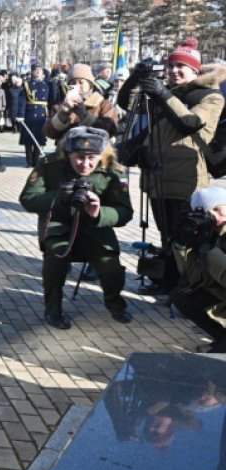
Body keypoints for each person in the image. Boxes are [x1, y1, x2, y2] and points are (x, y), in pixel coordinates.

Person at [132, 40, 225, 294]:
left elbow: (191, 122)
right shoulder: (172, 92)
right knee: (165, 234)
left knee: (187, 235)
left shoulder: (210, 96)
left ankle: (189, 285)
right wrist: (135, 79)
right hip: (158, 177)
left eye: (181, 66)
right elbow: (125, 105)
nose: (173, 71)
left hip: (188, 179)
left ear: (196, 71)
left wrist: (163, 94)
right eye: (170, 66)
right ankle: (167, 280)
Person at [18, 126, 133, 329]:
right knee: (55, 261)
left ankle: (115, 303)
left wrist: (99, 212)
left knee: (111, 266)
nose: (85, 164)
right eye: (79, 157)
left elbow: (125, 211)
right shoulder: (49, 165)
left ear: (102, 154)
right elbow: (28, 198)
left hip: (96, 227)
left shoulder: (113, 171)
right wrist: (57, 197)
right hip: (59, 225)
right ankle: (52, 310)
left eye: (92, 158)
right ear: (68, 153)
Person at [171, 187, 226, 351]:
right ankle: (222, 339)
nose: (218, 215)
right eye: (212, 210)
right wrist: (183, 245)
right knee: (182, 298)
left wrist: (209, 252)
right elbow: (196, 279)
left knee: (212, 363)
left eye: (219, 208)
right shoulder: (207, 233)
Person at [45, 63, 119, 142]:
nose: (77, 86)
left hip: (94, 151)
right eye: (73, 83)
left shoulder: (103, 104)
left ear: (90, 84)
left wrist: (85, 115)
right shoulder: (61, 106)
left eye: (81, 82)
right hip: (68, 151)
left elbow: (110, 130)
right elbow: (50, 133)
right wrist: (63, 114)